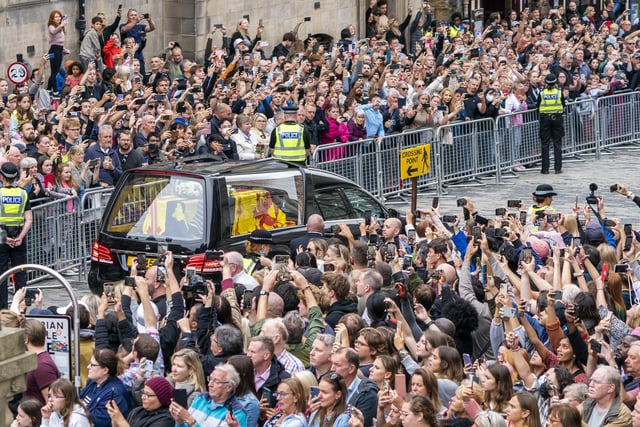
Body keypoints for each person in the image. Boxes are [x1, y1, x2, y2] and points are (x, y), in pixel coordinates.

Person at [169, 363, 248, 427]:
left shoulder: (236, 413)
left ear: (229, 387)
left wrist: (191, 421)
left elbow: (191, 422)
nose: (210, 384)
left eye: (216, 381)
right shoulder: (201, 398)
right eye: (210, 379)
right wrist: (180, 422)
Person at [0, 162, 33, 309]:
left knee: (2, 275)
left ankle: (2, 310)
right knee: (20, 274)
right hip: (19, 236)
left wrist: (4, 237)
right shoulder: (23, 193)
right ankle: (21, 308)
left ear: (2, 176)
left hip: (2, 237)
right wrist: (20, 237)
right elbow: (29, 219)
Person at [80, 348, 132, 427]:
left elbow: (96, 422)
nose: (88, 367)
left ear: (105, 370)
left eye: (92, 365)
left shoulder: (115, 394)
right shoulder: (92, 382)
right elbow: (77, 402)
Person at [106, 376, 175, 427]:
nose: (143, 397)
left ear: (161, 398)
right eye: (143, 392)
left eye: (148, 395)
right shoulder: (137, 411)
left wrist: (120, 420)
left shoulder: (166, 420)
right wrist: (114, 417)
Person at [537, 73, 565, 174]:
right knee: (557, 143)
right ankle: (558, 168)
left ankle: (545, 169)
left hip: (545, 119)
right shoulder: (559, 92)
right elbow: (563, 104)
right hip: (557, 118)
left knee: (545, 144)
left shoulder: (542, 92)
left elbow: (538, 105)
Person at [46, 10, 67, 92]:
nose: (58, 18)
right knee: (54, 71)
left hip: (59, 49)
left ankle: (49, 88)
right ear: (52, 18)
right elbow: (53, 32)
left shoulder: (60, 27)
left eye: (59, 16)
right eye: (56, 17)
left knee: (56, 70)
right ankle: (53, 90)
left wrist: (64, 49)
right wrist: (61, 25)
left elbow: (60, 41)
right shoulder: (51, 26)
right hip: (54, 49)